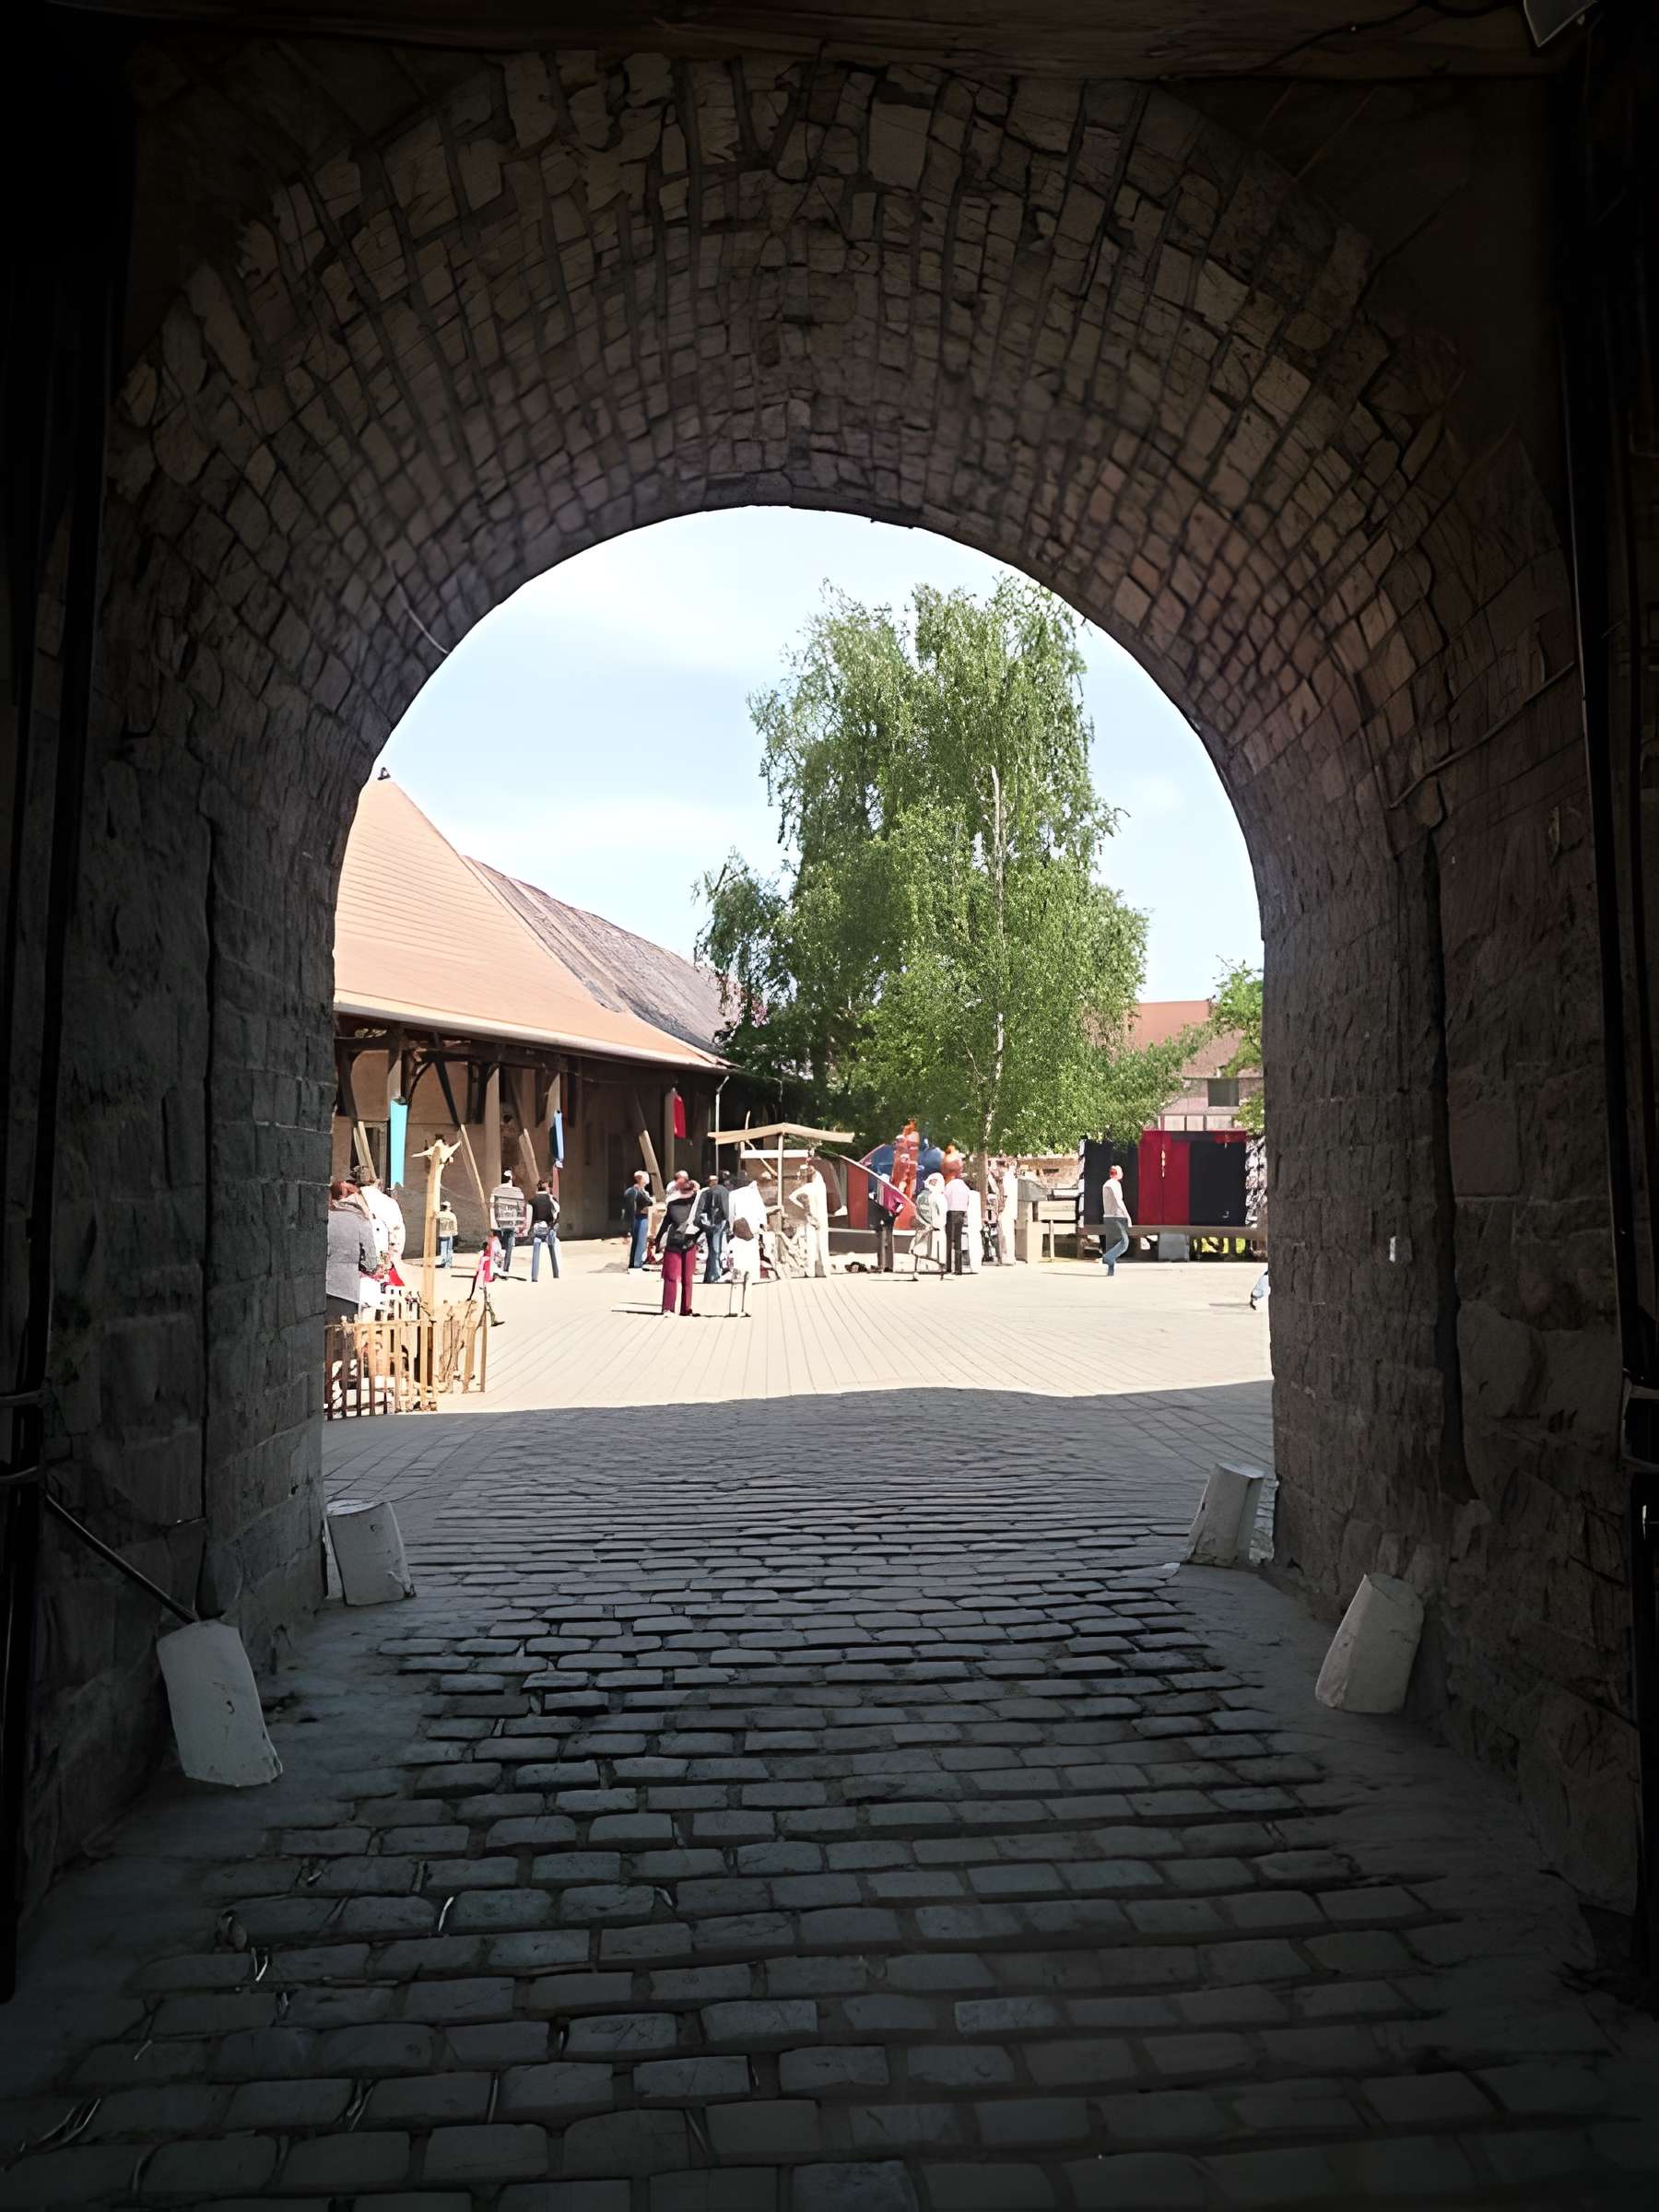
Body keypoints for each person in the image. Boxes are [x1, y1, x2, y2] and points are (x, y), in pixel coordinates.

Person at [653, 1170, 703, 1317]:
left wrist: (657, 1241)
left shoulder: (676, 1204)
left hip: (676, 1242)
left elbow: (665, 1224)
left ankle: (669, 1308)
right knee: (684, 1277)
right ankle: (685, 1308)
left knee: (673, 1277)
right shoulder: (693, 1206)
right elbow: (700, 1224)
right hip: (685, 1243)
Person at [326, 1178, 378, 1321]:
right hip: (344, 1290)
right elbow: (371, 1263)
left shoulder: (320, 1215)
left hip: (311, 1288)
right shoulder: (359, 1218)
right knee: (341, 1336)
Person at [724, 1171, 767, 1316]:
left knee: (737, 1273)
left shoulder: (733, 1195)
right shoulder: (755, 1194)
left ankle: (733, 1309)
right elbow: (763, 1215)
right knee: (750, 1273)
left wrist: (731, 1229)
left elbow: (730, 1215)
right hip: (753, 1235)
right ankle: (747, 1309)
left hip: (739, 1235)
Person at [787, 1160, 832, 1278]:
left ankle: (811, 1270)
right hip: (820, 1217)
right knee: (822, 1243)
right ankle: (823, 1270)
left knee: (811, 1244)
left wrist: (803, 1206)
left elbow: (792, 1197)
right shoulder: (821, 1187)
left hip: (811, 1217)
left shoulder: (809, 1187)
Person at [357, 1171, 406, 1266]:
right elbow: (397, 1234)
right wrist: (392, 1259)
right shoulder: (389, 1203)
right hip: (381, 1258)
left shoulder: (350, 1200)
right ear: (379, 1183)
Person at [490, 1171, 526, 1277]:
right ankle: (505, 1270)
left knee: (498, 1247)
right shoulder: (517, 1191)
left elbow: (492, 1206)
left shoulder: (495, 1191)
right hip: (511, 1223)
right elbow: (521, 1208)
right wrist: (520, 1224)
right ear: (510, 1179)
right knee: (508, 1248)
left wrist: (493, 1223)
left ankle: (497, 1268)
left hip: (499, 1224)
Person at [1100, 1162, 1133, 1277]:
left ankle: (1110, 1271)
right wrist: (1127, 1216)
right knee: (1124, 1242)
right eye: (1121, 1172)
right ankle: (1107, 1257)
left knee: (1112, 1244)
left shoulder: (1106, 1184)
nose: (1122, 1174)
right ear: (1117, 1174)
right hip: (1116, 1217)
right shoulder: (1114, 1184)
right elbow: (1119, 1201)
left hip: (1108, 1216)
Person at [701, 1169, 732, 1284]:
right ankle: (713, 1274)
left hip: (712, 1222)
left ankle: (713, 1275)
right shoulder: (724, 1190)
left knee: (713, 1249)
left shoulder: (708, 1192)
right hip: (720, 1221)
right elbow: (725, 1208)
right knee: (717, 1249)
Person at [912, 1171, 946, 1274]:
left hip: (923, 1227)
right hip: (935, 1228)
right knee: (937, 1250)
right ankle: (941, 1270)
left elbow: (916, 1211)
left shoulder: (921, 1196)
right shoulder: (939, 1197)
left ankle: (917, 1270)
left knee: (919, 1248)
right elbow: (943, 1212)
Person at [529, 1179, 561, 1282]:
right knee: (552, 1250)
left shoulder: (533, 1201)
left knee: (536, 1251)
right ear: (546, 1188)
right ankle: (556, 1273)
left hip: (537, 1228)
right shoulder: (551, 1199)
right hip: (549, 1228)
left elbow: (530, 1216)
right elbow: (557, 1211)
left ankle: (534, 1277)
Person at [942, 1159, 971, 1277]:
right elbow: (968, 1200)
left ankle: (949, 1267)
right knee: (958, 1240)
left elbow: (945, 1197)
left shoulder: (949, 1185)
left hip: (950, 1213)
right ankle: (959, 1269)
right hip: (961, 1214)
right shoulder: (965, 1187)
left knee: (949, 1241)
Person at [871, 1163, 900, 1274]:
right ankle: (890, 1265)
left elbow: (877, 1198)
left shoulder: (879, 1181)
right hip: (891, 1213)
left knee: (881, 1241)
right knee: (890, 1240)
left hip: (881, 1212)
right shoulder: (893, 1181)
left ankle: (881, 1265)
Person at [623, 1170, 653, 1270]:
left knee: (637, 1240)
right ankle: (637, 1262)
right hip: (640, 1217)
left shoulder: (631, 1191)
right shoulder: (638, 1191)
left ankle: (633, 1261)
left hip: (636, 1217)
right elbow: (648, 1202)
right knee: (640, 1240)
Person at [996, 1157, 1019, 1267]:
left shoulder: (1006, 1179)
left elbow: (1004, 1196)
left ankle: (1006, 1258)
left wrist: (1000, 1208)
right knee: (1009, 1234)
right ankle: (1010, 1257)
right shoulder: (1013, 1179)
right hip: (1011, 1211)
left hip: (1005, 1211)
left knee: (1004, 1234)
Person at [434, 1199, 457, 1269]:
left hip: (442, 1234)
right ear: (448, 1207)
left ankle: (443, 1263)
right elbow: (455, 1224)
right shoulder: (452, 1215)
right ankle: (448, 1264)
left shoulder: (440, 1214)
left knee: (443, 1249)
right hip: (450, 1234)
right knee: (449, 1250)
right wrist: (455, 1233)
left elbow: (435, 1218)